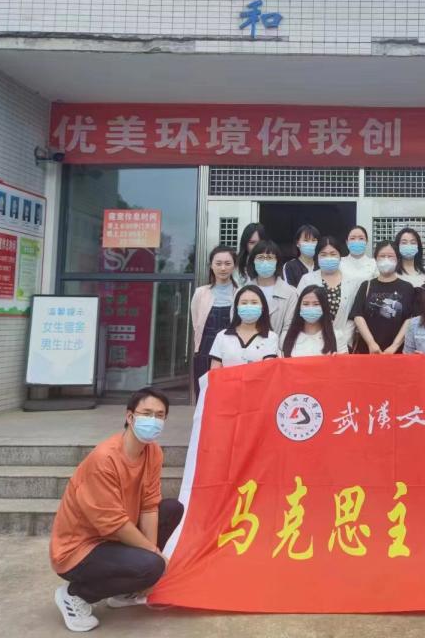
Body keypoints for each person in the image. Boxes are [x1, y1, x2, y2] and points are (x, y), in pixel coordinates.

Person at [49, 387, 182, 632]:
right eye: (147, 413)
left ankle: (126, 590)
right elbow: (114, 523)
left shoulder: (153, 452)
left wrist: (151, 554)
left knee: (172, 509)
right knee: (152, 564)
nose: (153, 420)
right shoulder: (104, 459)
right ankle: (76, 594)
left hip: (114, 537)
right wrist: (154, 557)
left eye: (160, 415)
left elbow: (149, 505)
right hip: (80, 548)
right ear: (130, 417)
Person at [350, 240, 416, 354]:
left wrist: (394, 346)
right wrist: (371, 343)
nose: (386, 260)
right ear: (375, 259)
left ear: (397, 259)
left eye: (390, 256)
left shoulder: (407, 287)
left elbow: (410, 319)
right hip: (368, 351)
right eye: (382, 256)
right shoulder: (366, 285)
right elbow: (358, 315)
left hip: (397, 353)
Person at [297, 235, 360, 352]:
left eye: (333, 254)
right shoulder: (307, 279)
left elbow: (353, 316)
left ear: (340, 256)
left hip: (343, 343)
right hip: (312, 343)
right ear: (317, 256)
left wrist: (342, 340)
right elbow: (298, 311)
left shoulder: (353, 282)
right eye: (323, 254)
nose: (328, 258)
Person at [190, 245, 237, 383]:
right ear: (211, 265)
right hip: (205, 349)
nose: (223, 268)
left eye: (227, 263)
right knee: (204, 389)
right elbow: (196, 323)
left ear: (234, 266)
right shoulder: (200, 293)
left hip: (232, 350)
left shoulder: (241, 293)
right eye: (218, 263)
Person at [208, 285, 279, 370]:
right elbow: (214, 372)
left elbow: (269, 371)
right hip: (227, 379)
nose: (249, 306)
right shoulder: (222, 336)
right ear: (237, 307)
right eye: (244, 303)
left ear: (263, 307)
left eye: (254, 302)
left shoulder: (271, 337)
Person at [246, 239, 297, 338]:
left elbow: (289, 328)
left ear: (277, 261)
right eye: (260, 257)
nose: (265, 262)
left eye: (270, 258)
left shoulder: (291, 293)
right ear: (253, 261)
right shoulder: (242, 292)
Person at [281, 285, 347, 357]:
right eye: (306, 304)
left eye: (316, 304)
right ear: (299, 307)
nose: (310, 308)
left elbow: (346, 363)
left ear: (324, 307)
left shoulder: (337, 336)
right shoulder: (285, 337)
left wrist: (337, 359)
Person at [282, 224, 320, 288]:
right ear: (297, 243)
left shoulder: (321, 264)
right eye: (306, 240)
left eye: (313, 240)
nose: (310, 243)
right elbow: (290, 291)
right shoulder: (290, 266)